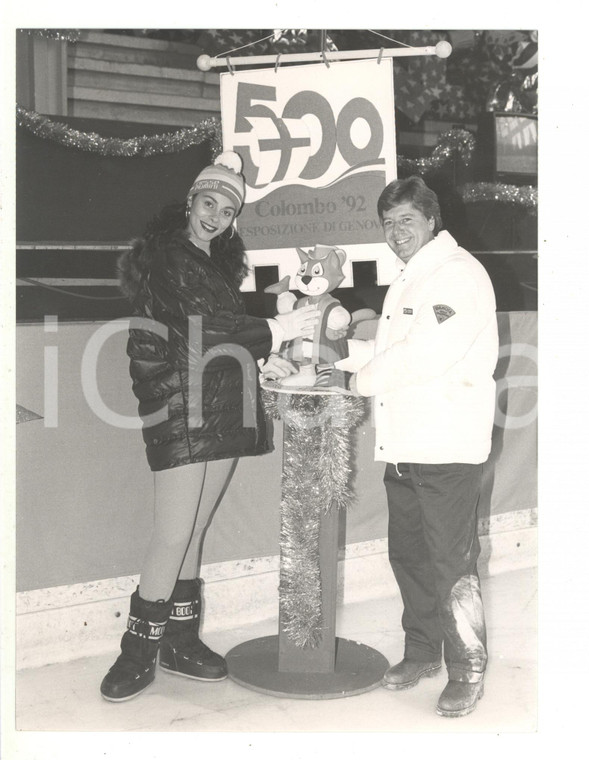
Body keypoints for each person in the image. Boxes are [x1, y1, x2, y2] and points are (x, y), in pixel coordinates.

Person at [100, 152, 313, 702]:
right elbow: (206, 330)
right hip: (180, 407)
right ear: (190, 201)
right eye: (208, 202)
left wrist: (264, 362)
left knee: (194, 528)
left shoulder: (212, 263)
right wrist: (281, 327)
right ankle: (137, 648)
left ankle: (180, 640)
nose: (214, 215)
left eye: (226, 209)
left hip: (218, 404)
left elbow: (218, 341)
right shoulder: (172, 256)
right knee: (172, 531)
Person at [337, 176, 499, 718]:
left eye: (406, 219)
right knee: (409, 555)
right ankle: (424, 652)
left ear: (432, 220)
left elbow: (424, 355)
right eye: (388, 222)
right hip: (406, 447)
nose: (395, 231)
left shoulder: (457, 275)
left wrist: (354, 383)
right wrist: (335, 361)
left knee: (451, 564)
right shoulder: (412, 278)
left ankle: (466, 669)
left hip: (445, 448)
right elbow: (391, 348)